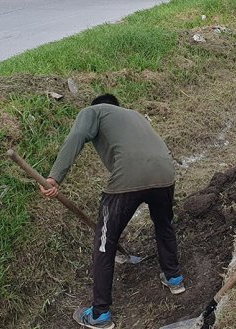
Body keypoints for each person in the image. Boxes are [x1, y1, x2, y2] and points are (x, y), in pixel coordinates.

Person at [40, 94, 183, 329]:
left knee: (104, 244)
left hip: (128, 176)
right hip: (165, 172)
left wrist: (55, 177)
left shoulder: (93, 111)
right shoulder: (134, 115)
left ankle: (100, 314)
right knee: (164, 225)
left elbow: (77, 135)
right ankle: (174, 278)